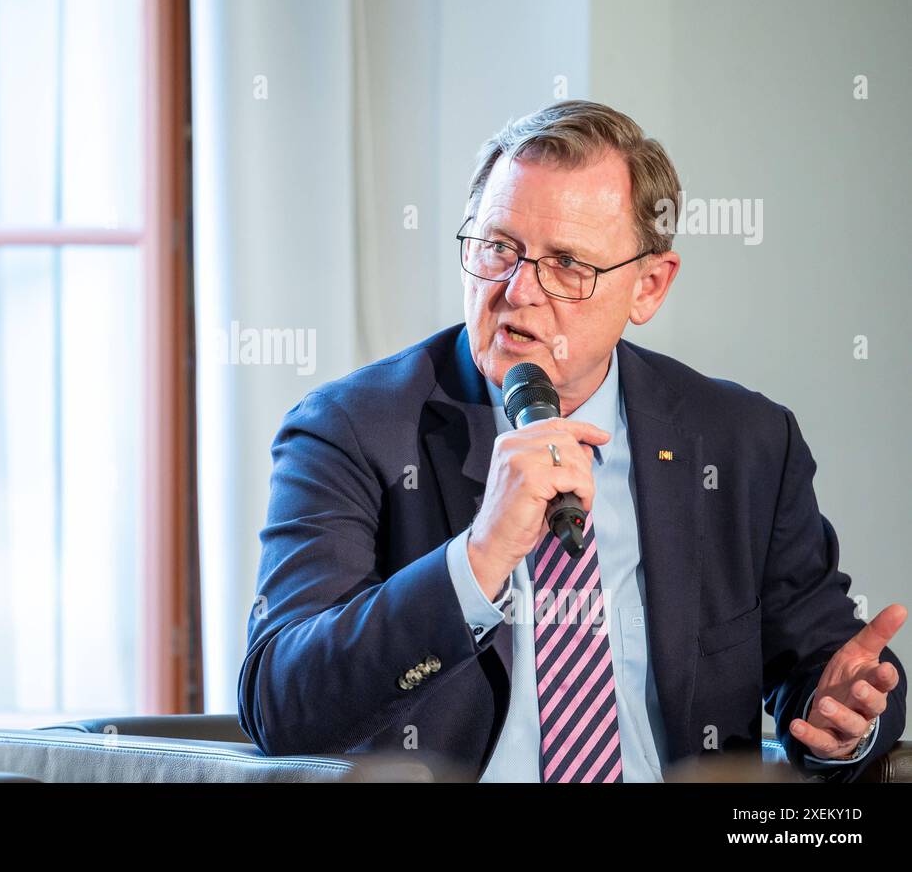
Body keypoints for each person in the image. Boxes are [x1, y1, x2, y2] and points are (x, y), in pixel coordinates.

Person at [238, 99, 906, 782]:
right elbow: (281, 702)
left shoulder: (741, 442)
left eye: (567, 264)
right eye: (498, 248)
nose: (518, 289)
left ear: (648, 287)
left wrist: (841, 721)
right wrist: (477, 559)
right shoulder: (353, 430)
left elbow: (827, 663)